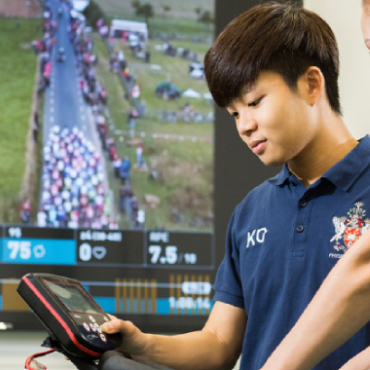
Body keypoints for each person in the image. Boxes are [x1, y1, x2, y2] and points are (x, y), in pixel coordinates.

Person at [101, 2, 370, 370]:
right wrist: (144, 345)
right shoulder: (250, 213)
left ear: (311, 85)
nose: (244, 125)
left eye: (254, 102)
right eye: (234, 113)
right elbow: (220, 342)